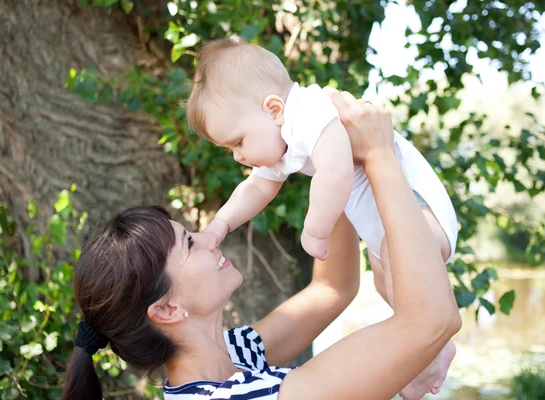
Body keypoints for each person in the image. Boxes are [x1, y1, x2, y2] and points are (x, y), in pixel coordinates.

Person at [62, 90, 462, 400]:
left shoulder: (232, 356)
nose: (208, 238)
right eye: (188, 244)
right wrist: (378, 155)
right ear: (166, 308)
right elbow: (430, 322)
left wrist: (331, 154)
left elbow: (331, 289)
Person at [186, 37, 458, 397]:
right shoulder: (282, 135)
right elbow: (256, 189)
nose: (237, 156)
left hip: (420, 212)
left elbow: (336, 171)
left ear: (273, 109)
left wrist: (316, 228)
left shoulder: (311, 113)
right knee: (387, 284)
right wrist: (222, 222)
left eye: (237, 142)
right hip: (387, 228)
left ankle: (430, 351)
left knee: (401, 280)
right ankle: (433, 351)